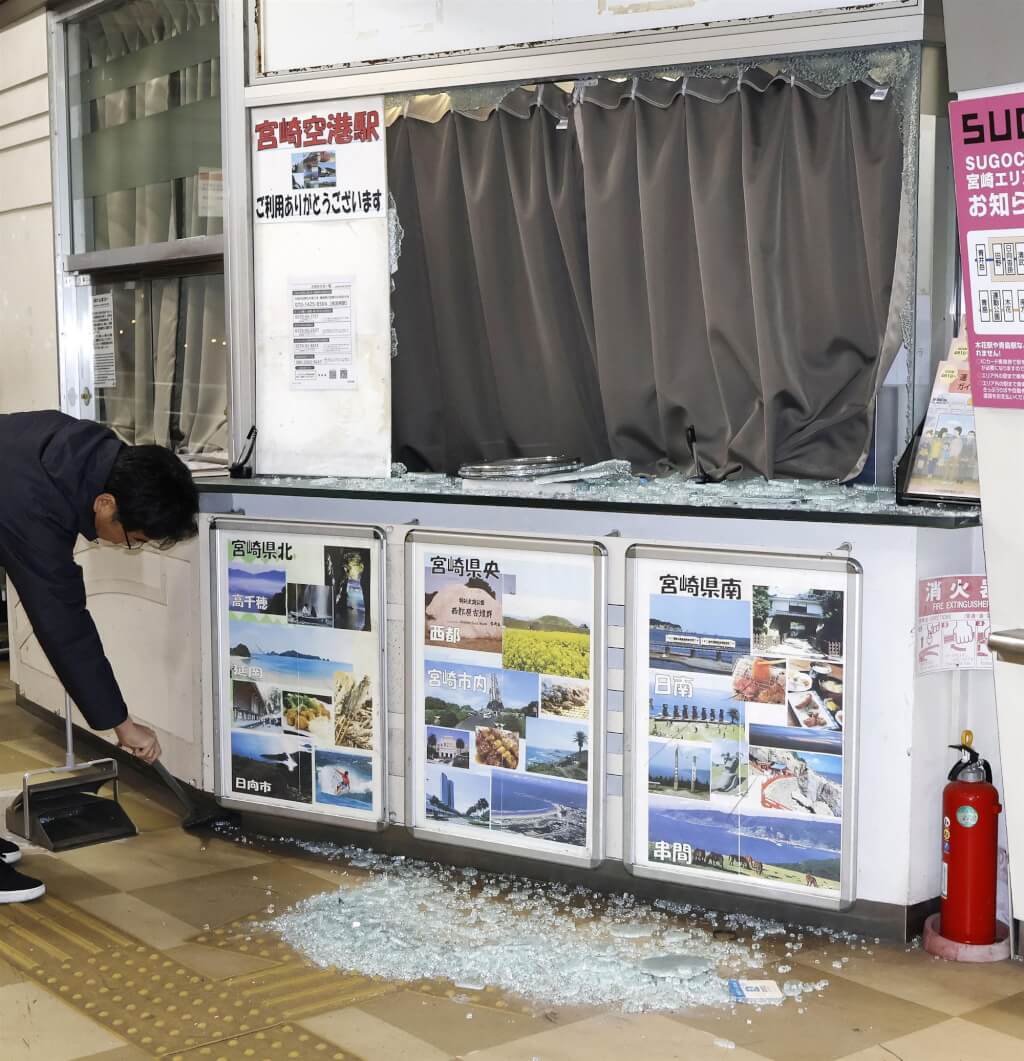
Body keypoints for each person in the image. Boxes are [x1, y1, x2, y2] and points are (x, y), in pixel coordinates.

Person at [0, 411, 199, 904]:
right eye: (134, 540)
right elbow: (63, 624)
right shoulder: (34, 498)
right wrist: (120, 723)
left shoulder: (88, 454)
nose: (130, 547)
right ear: (106, 504)